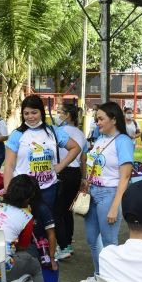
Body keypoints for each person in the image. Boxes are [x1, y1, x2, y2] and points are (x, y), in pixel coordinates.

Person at [79, 101, 134, 282]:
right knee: (92, 239)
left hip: (109, 195)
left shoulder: (123, 142)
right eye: (97, 119)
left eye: (101, 119)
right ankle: (100, 276)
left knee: (110, 242)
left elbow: (125, 177)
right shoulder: (100, 138)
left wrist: (114, 206)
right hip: (93, 193)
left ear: (114, 119)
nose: (97, 122)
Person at [3, 94, 81, 213]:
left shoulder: (53, 131)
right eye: (26, 113)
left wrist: (60, 167)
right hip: (24, 191)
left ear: (41, 112)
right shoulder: (17, 135)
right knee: (25, 225)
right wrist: (8, 191)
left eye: (34, 112)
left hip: (49, 188)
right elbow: (8, 166)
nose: (30, 117)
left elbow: (75, 147)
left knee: (46, 225)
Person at [54, 103, 88, 260]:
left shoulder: (59, 132)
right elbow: (83, 159)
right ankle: (67, 242)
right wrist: (83, 177)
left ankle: (63, 246)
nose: (58, 115)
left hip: (62, 172)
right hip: (75, 174)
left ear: (68, 115)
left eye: (60, 112)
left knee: (57, 211)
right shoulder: (81, 134)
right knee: (67, 210)